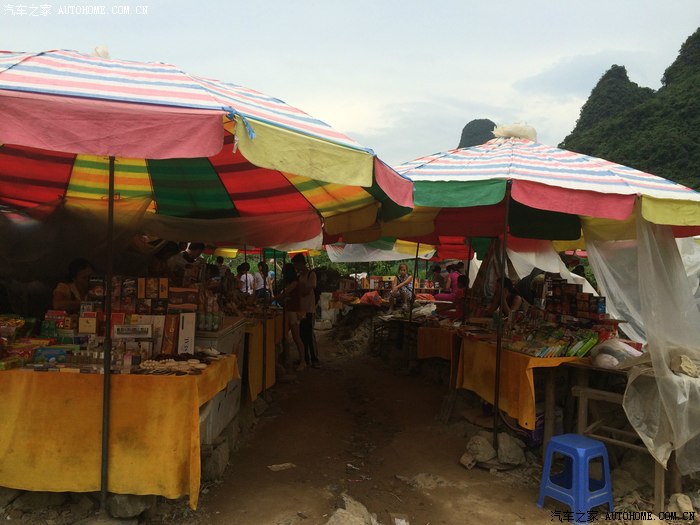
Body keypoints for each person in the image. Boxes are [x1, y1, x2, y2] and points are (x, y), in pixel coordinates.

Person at [292, 253, 319, 368]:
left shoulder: (311, 274)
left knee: (309, 334)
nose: (295, 267)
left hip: (309, 309)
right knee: (302, 335)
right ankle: (305, 358)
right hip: (301, 309)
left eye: (296, 265)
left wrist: (300, 290)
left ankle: (314, 359)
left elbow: (307, 290)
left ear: (301, 263)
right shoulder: (300, 276)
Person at [277, 262, 305, 371]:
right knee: (284, 336)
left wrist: (272, 299)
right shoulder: (292, 282)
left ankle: (302, 361)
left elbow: (284, 294)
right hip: (289, 310)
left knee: (296, 337)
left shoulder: (294, 283)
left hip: (293, 311)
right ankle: (287, 359)